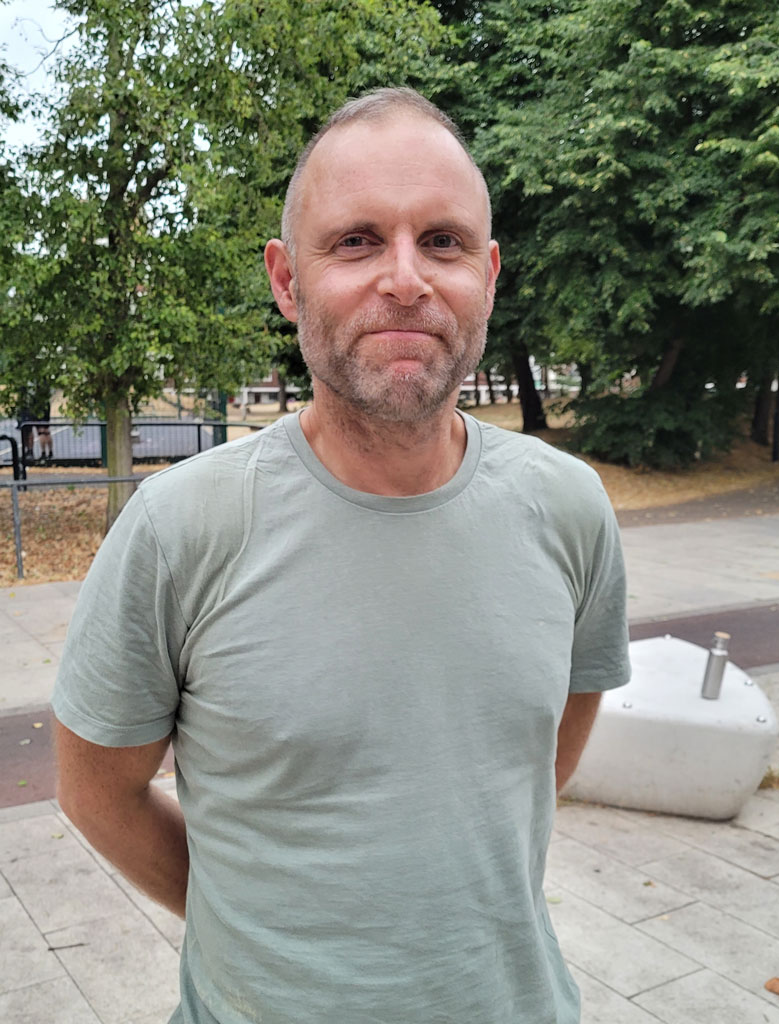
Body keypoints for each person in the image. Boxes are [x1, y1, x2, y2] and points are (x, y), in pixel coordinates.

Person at [52, 88, 630, 1024]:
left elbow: (535, 761)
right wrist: (256, 929)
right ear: (286, 280)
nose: (405, 278)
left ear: (487, 275)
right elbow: (94, 792)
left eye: (441, 242)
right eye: (357, 241)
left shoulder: (569, 509)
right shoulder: (179, 529)